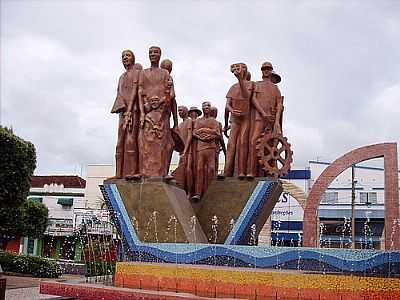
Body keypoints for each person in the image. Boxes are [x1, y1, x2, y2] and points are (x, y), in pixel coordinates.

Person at [138, 46, 175, 177]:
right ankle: (145, 172)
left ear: (160, 55)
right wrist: (143, 112)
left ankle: (161, 173)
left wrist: (161, 102)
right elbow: (140, 92)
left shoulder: (165, 73)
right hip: (148, 112)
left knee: (161, 143)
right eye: (151, 52)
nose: (153, 54)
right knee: (146, 144)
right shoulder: (143, 73)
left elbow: (171, 94)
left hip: (162, 112)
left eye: (156, 52)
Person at [247, 62, 283, 178]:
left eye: (268, 69)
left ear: (271, 71)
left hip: (272, 120)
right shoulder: (257, 84)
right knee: (254, 142)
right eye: (264, 69)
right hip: (259, 118)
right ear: (261, 71)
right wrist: (263, 114)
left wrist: (277, 121)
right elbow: (253, 99)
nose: (266, 71)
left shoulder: (275, 88)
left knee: (270, 144)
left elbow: (279, 105)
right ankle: (251, 172)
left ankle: (270, 171)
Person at [111, 49, 141, 179]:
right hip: (122, 112)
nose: (125, 58)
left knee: (130, 141)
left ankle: (132, 171)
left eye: (128, 55)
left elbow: (136, 91)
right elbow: (119, 93)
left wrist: (130, 111)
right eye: (123, 56)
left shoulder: (137, 73)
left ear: (133, 58)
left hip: (133, 111)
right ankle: (119, 173)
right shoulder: (121, 77)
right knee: (120, 142)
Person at [185, 102, 221, 201]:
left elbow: (217, 134)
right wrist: (202, 135)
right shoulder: (198, 121)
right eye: (204, 107)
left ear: (210, 109)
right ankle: (198, 193)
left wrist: (208, 134)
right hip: (200, 148)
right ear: (202, 108)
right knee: (199, 170)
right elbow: (194, 132)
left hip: (211, 148)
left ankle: (210, 192)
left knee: (211, 169)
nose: (206, 108)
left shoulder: (214, 121)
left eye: (208, 106)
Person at [223, 63, 253, 178]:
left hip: (246, 118)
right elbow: (227, 106)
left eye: (242, 68)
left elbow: (246, 96)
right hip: (235, 119)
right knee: (231, 144)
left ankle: (241, 171)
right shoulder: (233, 87)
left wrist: (240, 79)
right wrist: (231, 113)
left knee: (242, 143)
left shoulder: (251, 84)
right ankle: (226, 172)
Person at [210, 106, 226, 176]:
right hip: (214, 148)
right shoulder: (217, 123)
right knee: (214, 164)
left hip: (207, 148)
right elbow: (221, 138)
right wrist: (225, 151)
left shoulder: (202, 122)